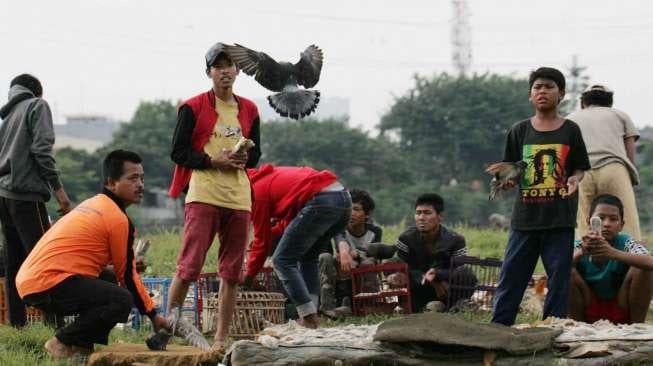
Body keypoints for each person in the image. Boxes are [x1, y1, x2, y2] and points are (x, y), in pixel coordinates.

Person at [15, 150, 168, 360]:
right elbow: (129, 278)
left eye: (142, 178)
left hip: (32, 281)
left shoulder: (93, 204)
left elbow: (108, 269)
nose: (140, 184)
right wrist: (153, 315)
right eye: (132, 178)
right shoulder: (117, 219)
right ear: (111, 183)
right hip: (47, 282)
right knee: (122, 299)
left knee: (109, 280)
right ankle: (62, 341)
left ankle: (81, 346)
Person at [167, 42, 261, 351]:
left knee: (232, 273)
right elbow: (178, 152)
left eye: (230, 66)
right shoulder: (192, 107)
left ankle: (220, 338)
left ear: (238, 71)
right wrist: (212, 160)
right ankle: (167, 329)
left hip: (238, 198)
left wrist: (245, 157)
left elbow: (257, 154)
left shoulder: (249, 109)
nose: (226, 71)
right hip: (204, 193)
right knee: (188, 267)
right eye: (219, 66)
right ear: (209, 72)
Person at [491, 67, 591, 326]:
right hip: (525, 219)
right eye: (537, 87)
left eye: (549, 86)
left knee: (558, 280)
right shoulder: (519, 130)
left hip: (560, 219)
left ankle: (553, 329)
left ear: (562, 94)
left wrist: (574, 178)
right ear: (530, 95)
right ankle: (498, 330)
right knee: (511, 277)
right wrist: (505, 181)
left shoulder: (571, 130)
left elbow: (580, 167)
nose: (542, 91)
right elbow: (510, 170)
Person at [0, 74, 72, 328]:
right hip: (27, 197)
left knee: (14, 262)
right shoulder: (37, 106)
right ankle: (57, 325)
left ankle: (17, 324)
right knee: (45, 258)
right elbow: (42, 151)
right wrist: (60, 193)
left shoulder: (7, 116)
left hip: (5, 197)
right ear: (36, 92)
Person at [244, 164, 351, 328]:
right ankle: (312, 313)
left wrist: (249, 276)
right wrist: (268, 233)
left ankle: (308, 317)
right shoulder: (271, 178)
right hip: (343, 199)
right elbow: (289, 222)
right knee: (309, 257)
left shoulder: (255, 191)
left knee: (282, 260)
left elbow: (262, 242)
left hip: (321, 201)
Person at [567, 85, 642, 241]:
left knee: (585, 220)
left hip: (582, 172)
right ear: (610, 102)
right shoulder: (620, 115)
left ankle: (583, 257)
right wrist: (630, 177)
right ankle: (632, 260)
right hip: (613, 168)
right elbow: (630, 152)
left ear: (583, 102)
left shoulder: (571, 118)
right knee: (624, 216)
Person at [569, 194, 653, 324]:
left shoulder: (625, 242)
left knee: (642, 266)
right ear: (589, 222)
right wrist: (582, 253)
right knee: (566, 270)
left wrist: (613, 253)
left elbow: (650, 262)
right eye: (600, 218)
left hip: (621, 305)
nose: (606, 224)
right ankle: (577, 325)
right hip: (588, 305)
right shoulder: (580, 245)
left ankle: (637, 326)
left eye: (613, 219)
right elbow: (556, 269)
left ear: (621, 225)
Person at [395, 193, 475, 312]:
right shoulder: (406, 239)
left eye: (427, 213)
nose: (421, 217)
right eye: (418, 213)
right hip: (419, 288)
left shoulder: (456, 239)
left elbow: (458, 268)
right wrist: (432, 281)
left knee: (467, 274)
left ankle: (456, 305)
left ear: (440, 216)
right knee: (399, 272)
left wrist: (438, 275)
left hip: (445, 288)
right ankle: (413, 306)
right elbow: (405, 267)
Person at [318, 189, 383, 315]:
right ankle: (327, 308)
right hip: (343, 267)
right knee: (325, 257)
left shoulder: (375, 232)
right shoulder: (338, 228)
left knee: (368, 262)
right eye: (348, 209)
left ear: (367, 214)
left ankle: (369, 305)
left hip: (363, 267)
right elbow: (336, 247)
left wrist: (357, 254)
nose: (351, 213)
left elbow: (375, 254)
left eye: (356, 209)